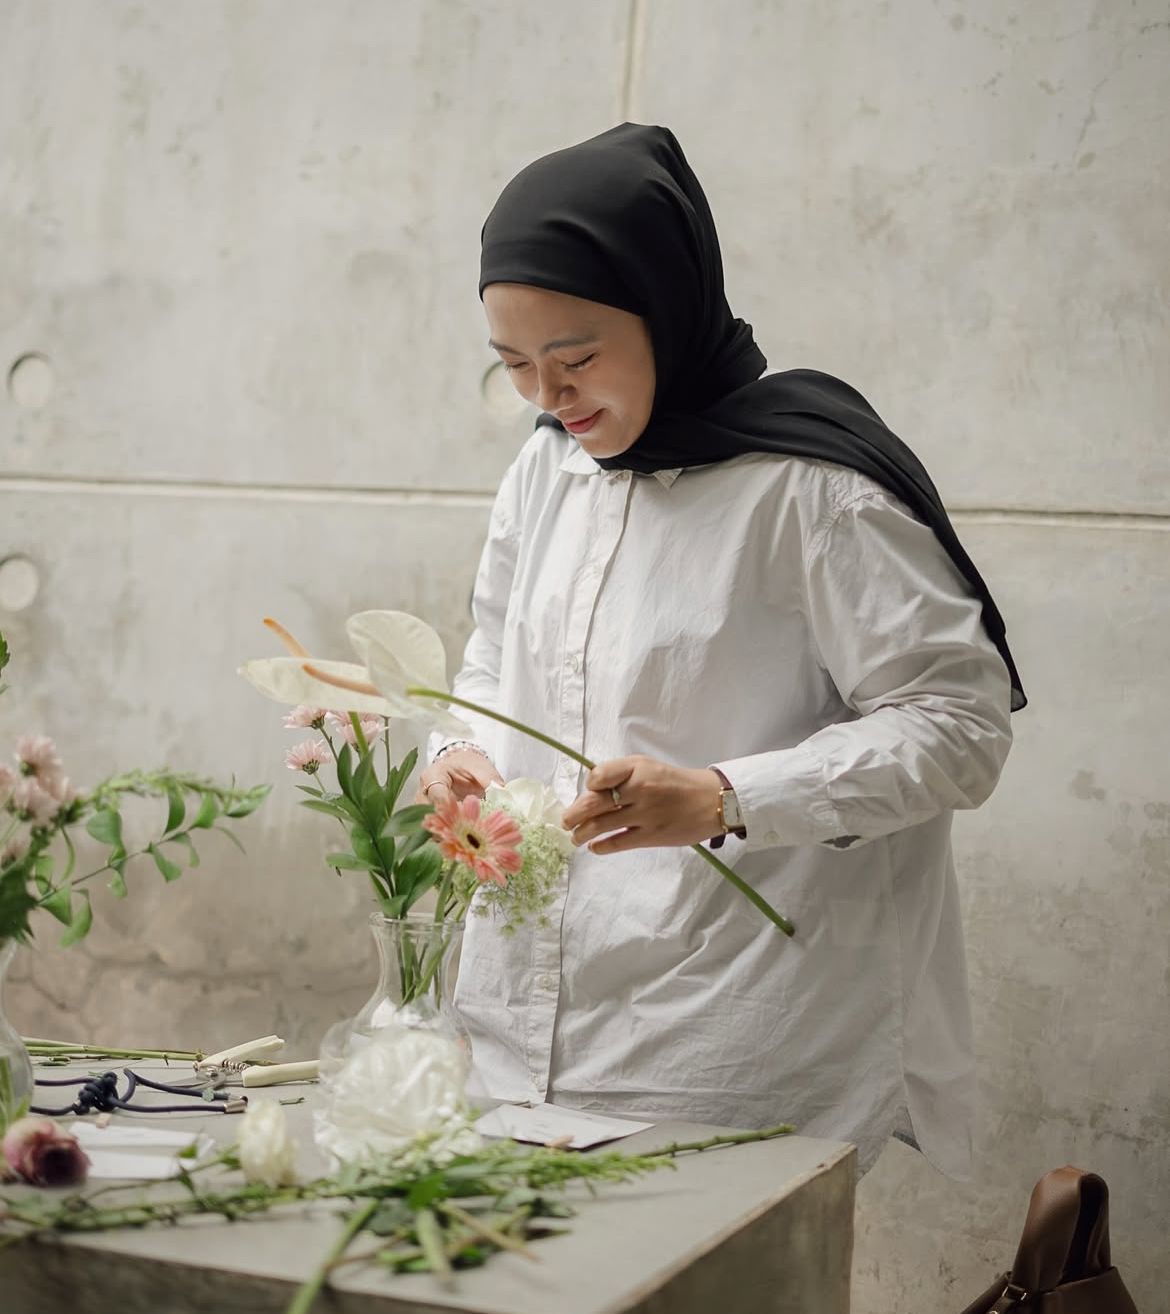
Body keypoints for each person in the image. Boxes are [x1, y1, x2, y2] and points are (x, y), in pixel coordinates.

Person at [418, 123, 1023, 1178]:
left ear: (666, 304)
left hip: (732, 1035)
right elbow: (490, 660)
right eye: (514, 365)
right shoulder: (546, 469)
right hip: (524, 1017)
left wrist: (724, 796)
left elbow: (959, 728)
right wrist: (458, 753)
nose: (548, 397)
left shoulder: (813, 489)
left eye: (575, 358)